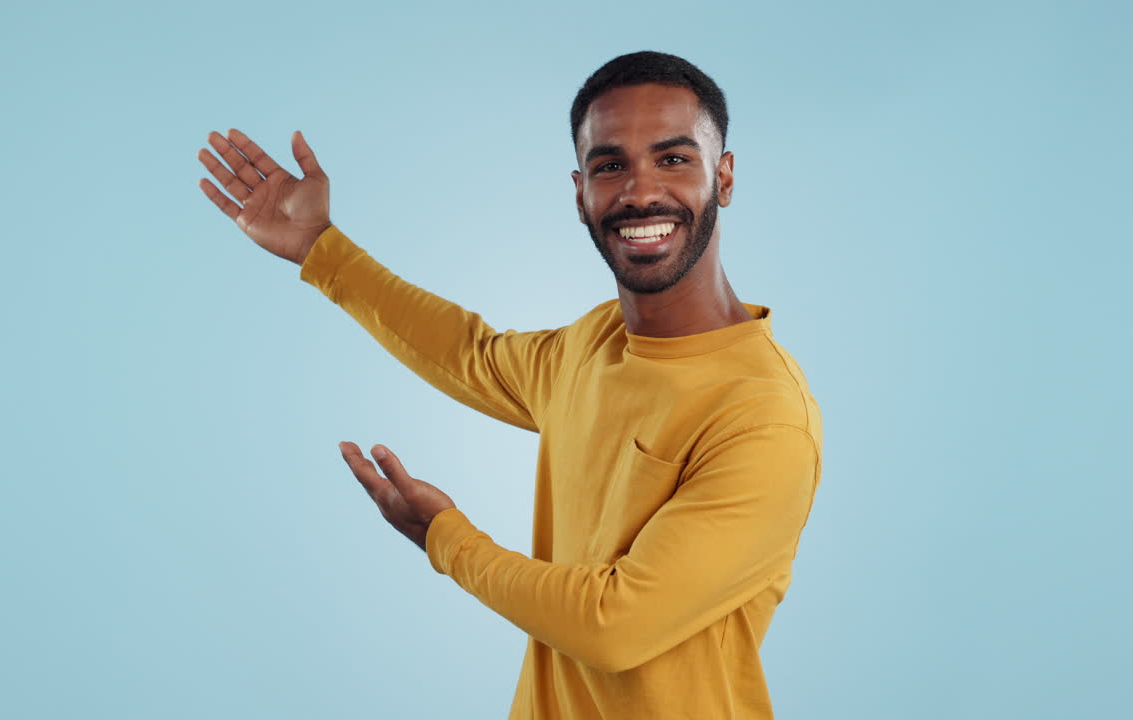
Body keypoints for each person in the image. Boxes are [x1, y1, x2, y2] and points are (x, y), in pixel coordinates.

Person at [198, 50, 823, 719]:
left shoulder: (764, 415)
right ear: (580, 192)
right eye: (612, 165)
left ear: (723, 177)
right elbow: (473, 354)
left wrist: (448, 540)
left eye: (674, 158)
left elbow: (616, 625)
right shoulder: (594, 344)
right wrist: (321, 249)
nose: (640, 191)